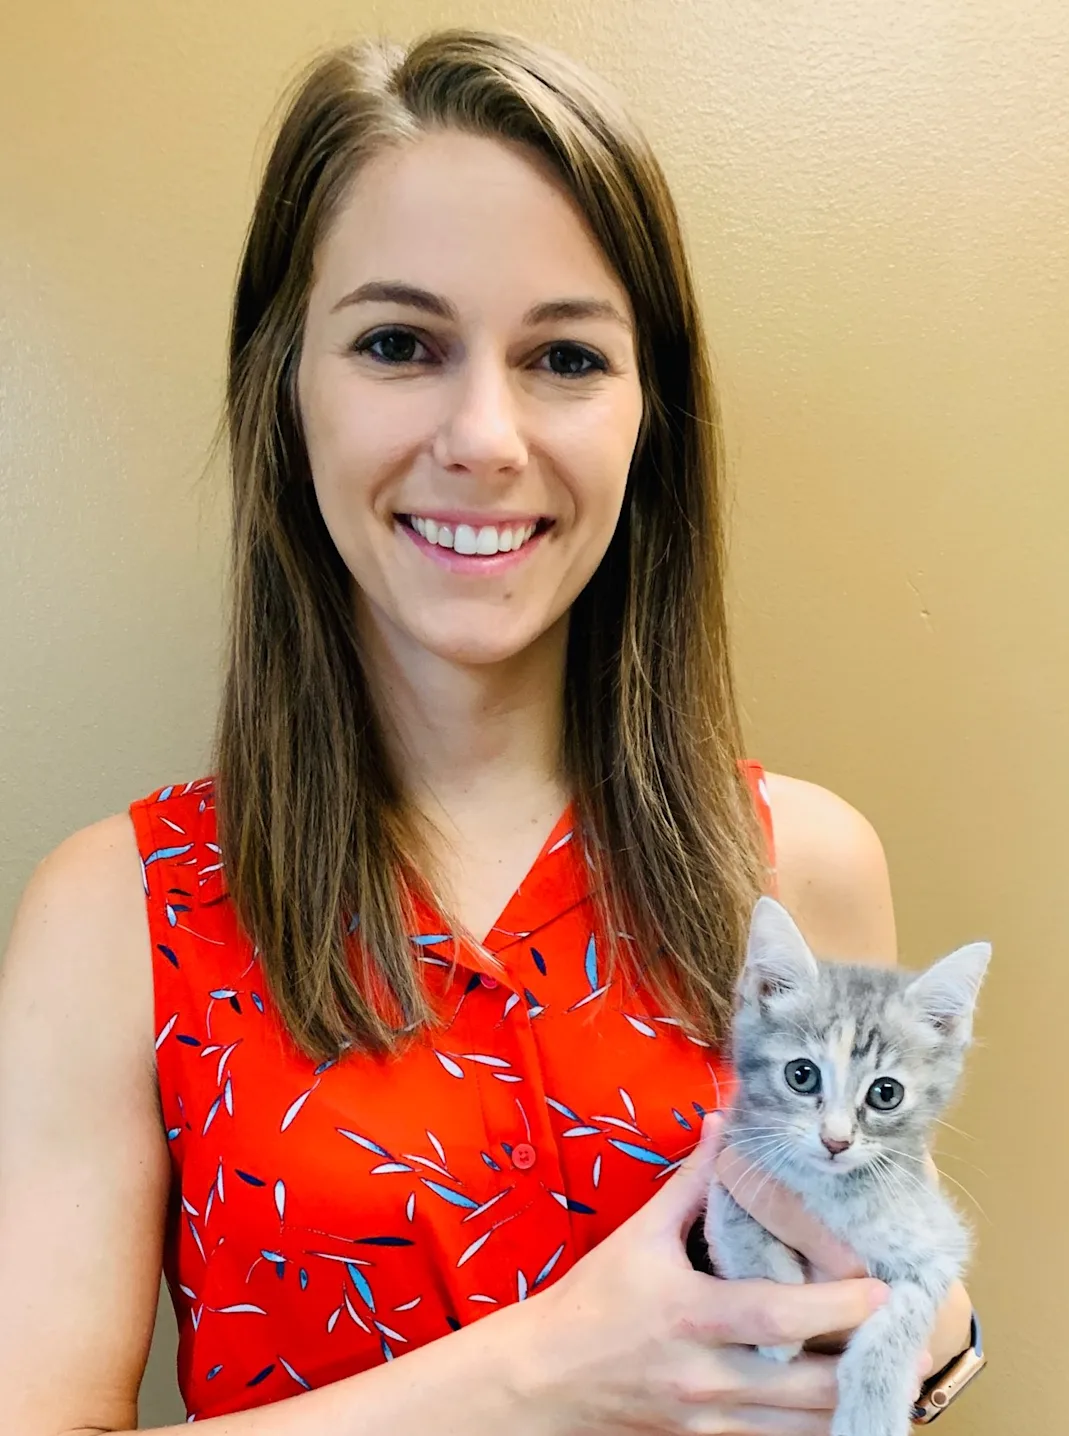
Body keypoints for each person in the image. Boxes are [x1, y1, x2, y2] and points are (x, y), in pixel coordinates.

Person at [0, 27, 975, 1436]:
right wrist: (537, 1378)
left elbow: (861, 1331)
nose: (485, 436)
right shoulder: (115, 919)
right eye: (399, 344)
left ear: (649, 416)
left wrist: (924, 1345)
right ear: (285, 384)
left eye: (564, 357)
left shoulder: (800, 868)